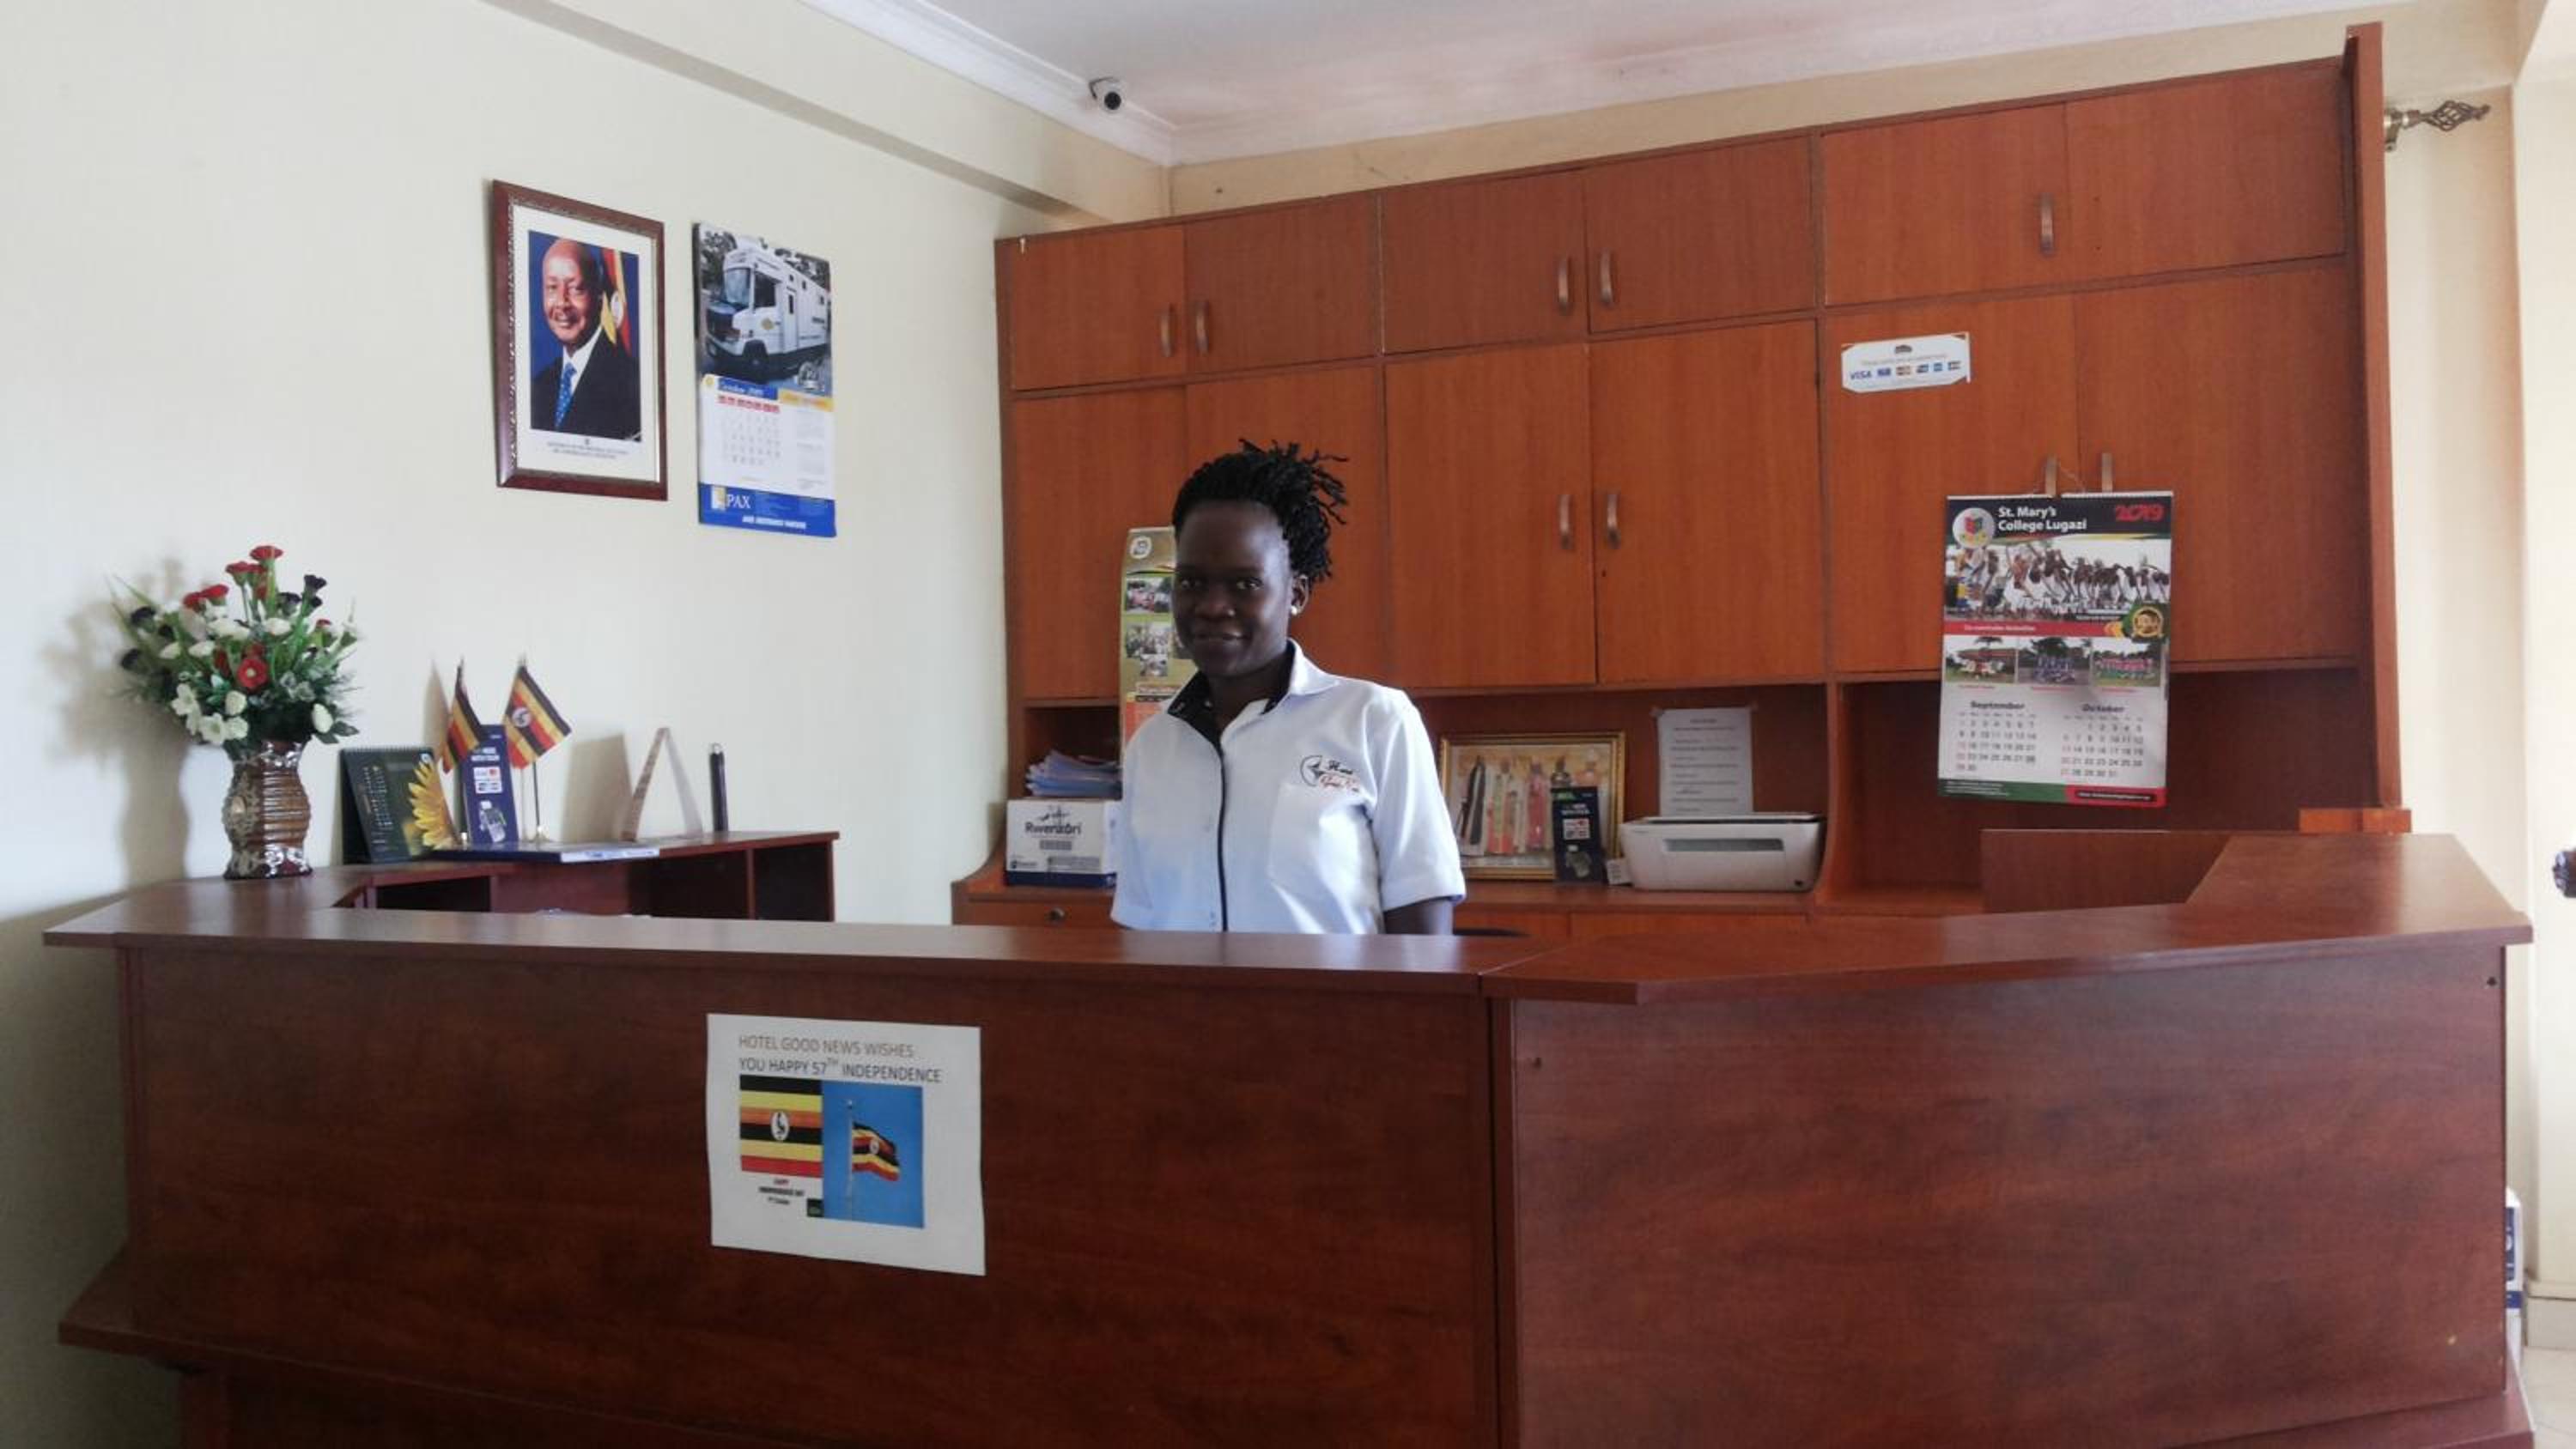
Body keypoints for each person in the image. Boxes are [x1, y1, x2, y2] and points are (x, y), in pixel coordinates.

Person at [1112, 443, 1463, 935]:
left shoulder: (1374, 720)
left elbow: (1422, 927)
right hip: (1185, 991)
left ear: (1296, 593)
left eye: (1244, 585)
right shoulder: (1151, 747)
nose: (1211, 606)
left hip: (1337, 991)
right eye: (1192, 583)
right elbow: (1139, 928)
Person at [530, 236, 641, 440]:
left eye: (575, 289)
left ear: (599, 296)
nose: (562, 303)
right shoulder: (537, 388)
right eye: (552, 287)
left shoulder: (632, 384)